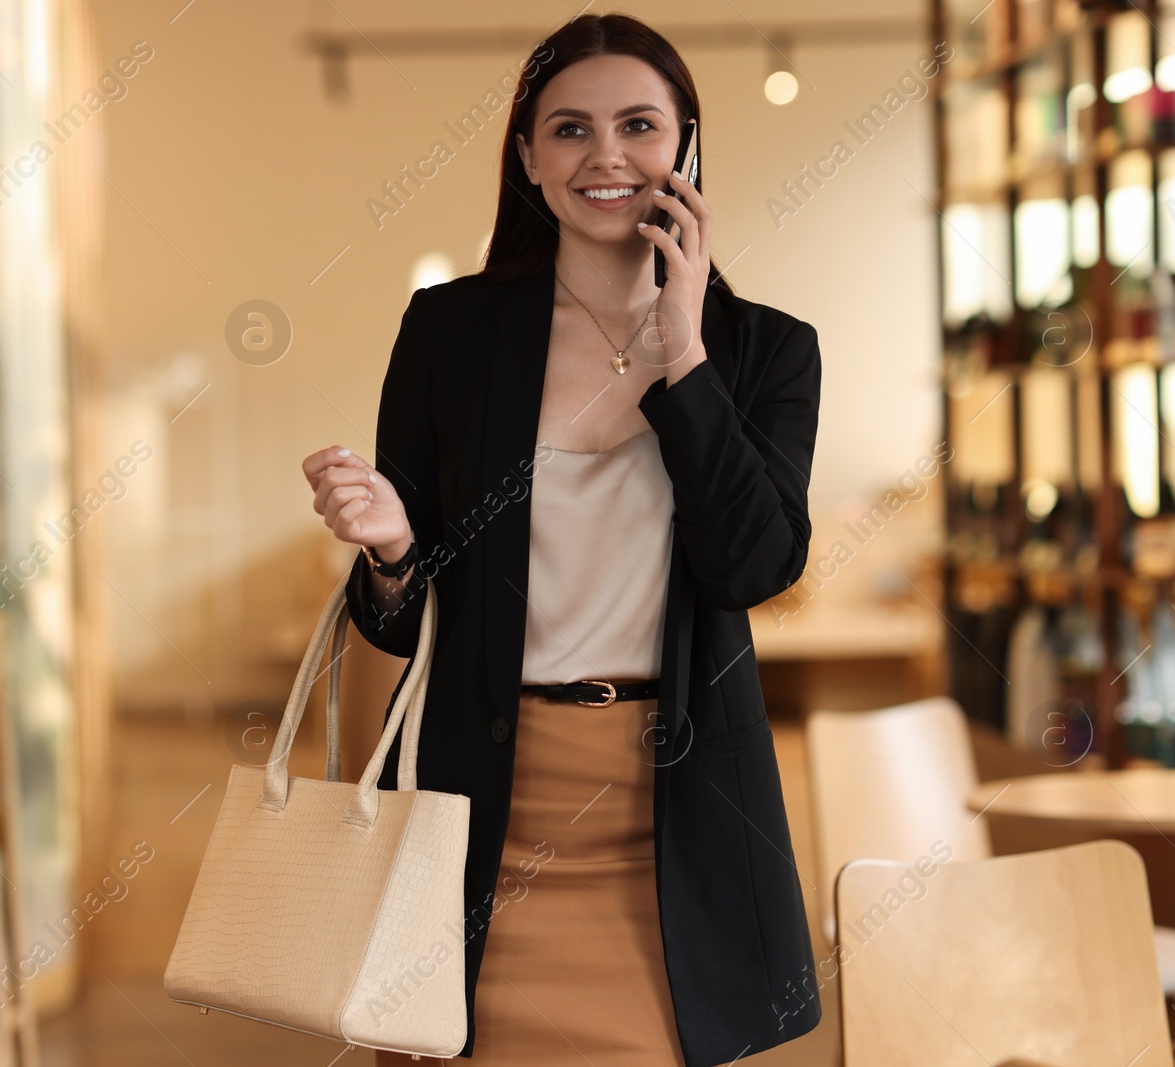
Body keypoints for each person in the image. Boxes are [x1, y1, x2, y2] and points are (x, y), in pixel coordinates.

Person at [300, 12, 822, 1066]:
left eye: (638, 124)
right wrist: (393, 548)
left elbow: (753, 566)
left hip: (669, 823)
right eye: (569, 130)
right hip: (475, 809)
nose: (606, 156)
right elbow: (397, 621)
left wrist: (684, 362)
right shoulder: (448, 332)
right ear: (529, 160)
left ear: (684, 145)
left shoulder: (764, 349)